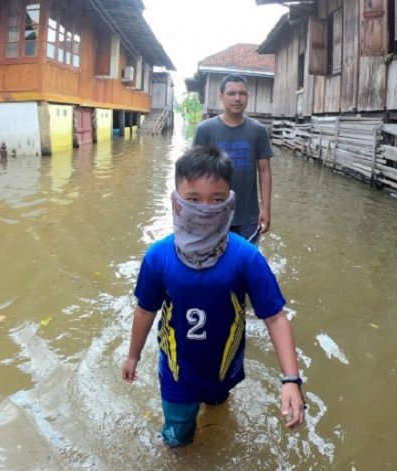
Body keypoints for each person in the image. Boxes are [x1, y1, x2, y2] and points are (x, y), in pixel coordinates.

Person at [121, 145, 305, 448]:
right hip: (177, 373)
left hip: (225, 366)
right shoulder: (159, 257)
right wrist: (132, 355)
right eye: (193, 200)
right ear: (176, 199)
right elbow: (145, 310)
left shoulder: (246, 258)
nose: (205, 209)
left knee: (219, 411)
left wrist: (291, 380)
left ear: (230, 201)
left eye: (216, 200)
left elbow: (274, 316)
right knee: (177, 439)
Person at [192, 74, 274, 244]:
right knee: (214, 266)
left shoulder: (258, 130)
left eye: (242, 93)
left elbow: (264, 171)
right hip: (213, 215)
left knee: (245, 266)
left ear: (248, 97)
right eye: (231, 93)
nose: (238, 98)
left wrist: (266, 208)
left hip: (249, 218)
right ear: (221, 96)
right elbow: (195, 173)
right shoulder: (205, 130)